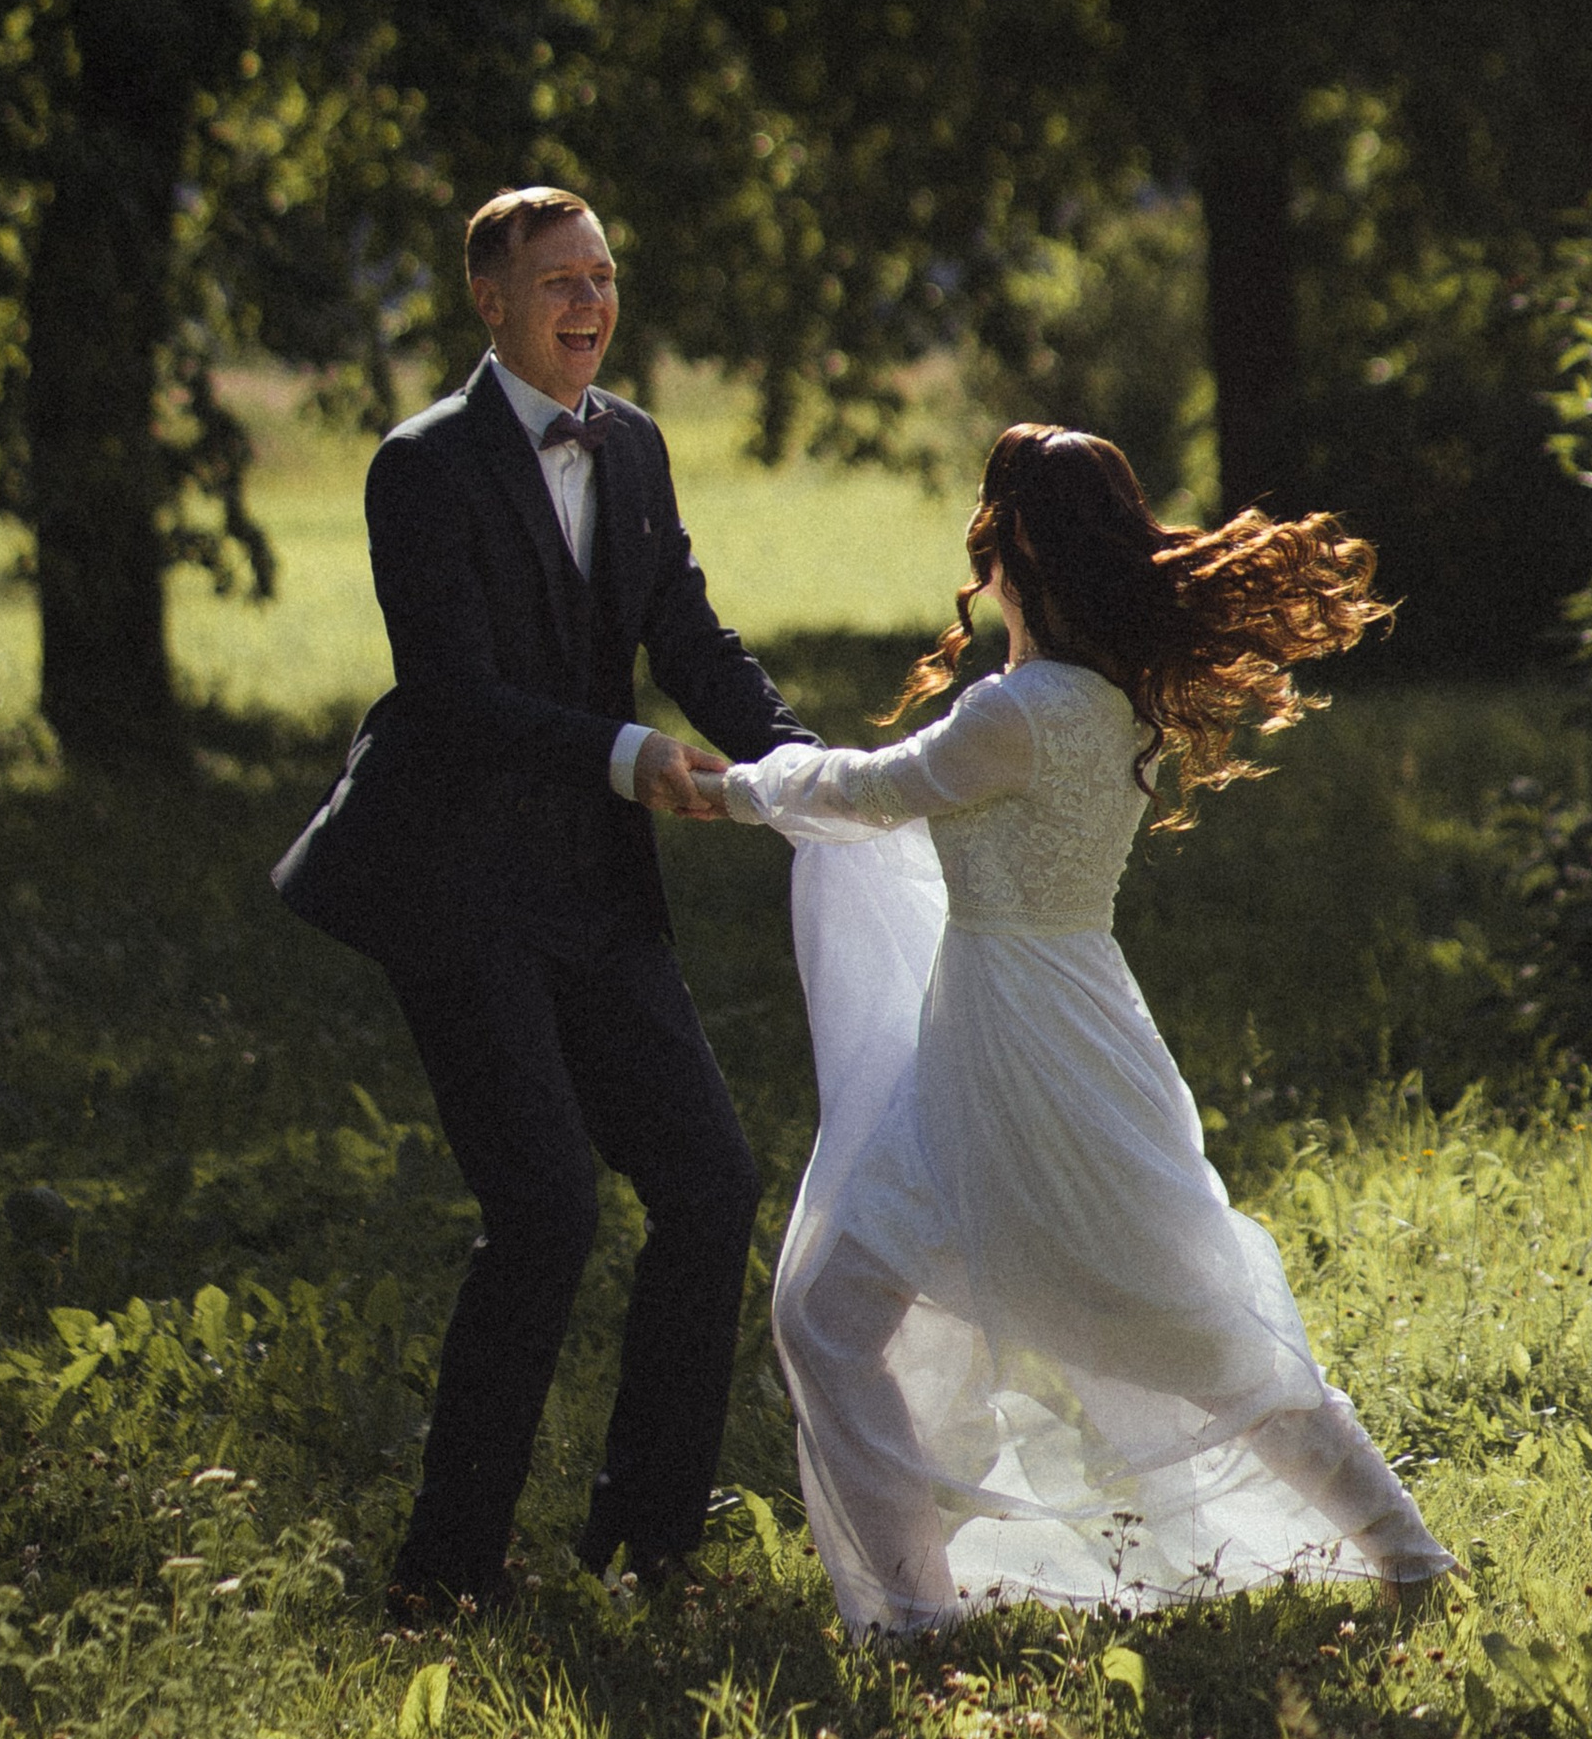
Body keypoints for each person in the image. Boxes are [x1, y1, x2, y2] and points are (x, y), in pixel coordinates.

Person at [686, 423, 1455, 1637]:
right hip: (1000, 1035)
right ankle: (917, 1617)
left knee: (1184, 1323)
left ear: (1012, 546)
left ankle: (1408, 1557)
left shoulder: (1020, 713)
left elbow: (870, 795)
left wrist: (728, 786)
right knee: (830, 1315)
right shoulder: (1103, 699)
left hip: (1033, 1050)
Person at [270, 186, 821, 1620]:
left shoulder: (631, 444)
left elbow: (681, 624)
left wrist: (799, 762)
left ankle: (649, 1542)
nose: (589, 303)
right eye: (560, 281)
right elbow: (450, 695)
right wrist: (626, 755)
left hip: (592, 887)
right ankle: (443, 1569)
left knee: (709, 1181)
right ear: (490, 304)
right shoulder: (424, 467)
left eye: (605, 277)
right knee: (548, 1211)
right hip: (455, 882)